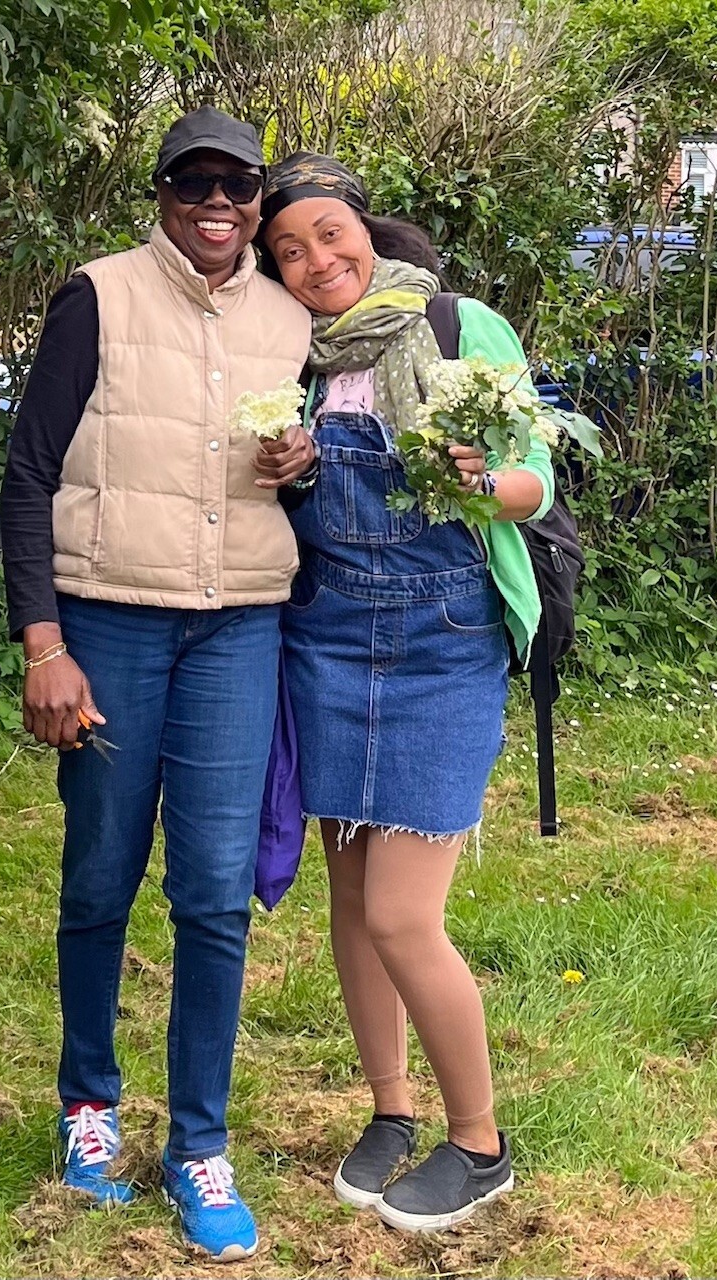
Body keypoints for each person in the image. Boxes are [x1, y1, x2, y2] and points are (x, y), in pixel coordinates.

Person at [0, 108, 315, 1262]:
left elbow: (306, 476)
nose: (216, 204)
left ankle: (197, 1144)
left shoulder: (291, 318)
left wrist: (303, 466)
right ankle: (88, 1107)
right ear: (163, 193)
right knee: (99, 873)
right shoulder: (97, 294)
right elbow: (28, 473)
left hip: (238, 627)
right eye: (194, 183)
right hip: (109, 622)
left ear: (257, 197)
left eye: (236, 185)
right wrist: (44, 643)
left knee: (213, 893)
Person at [257, 154, 556, 1233]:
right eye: (287, 250)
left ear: (367, 233)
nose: (314, 260)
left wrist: (482, 479)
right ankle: (389, 1110)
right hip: (324, 638)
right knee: (351, 902)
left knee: (399, 912)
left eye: (328, 234)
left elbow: (535, 479)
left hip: (438, 643)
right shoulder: (288, 358)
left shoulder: (453, 325)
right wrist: (278, 467)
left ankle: (477, 1142)